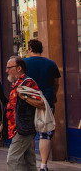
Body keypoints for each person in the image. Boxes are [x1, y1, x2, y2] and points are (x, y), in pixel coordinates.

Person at [0, 56, 45, 171]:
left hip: (24, 128)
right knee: (29, 161)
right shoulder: (16, 84)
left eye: (9, 68)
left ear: (19, 68)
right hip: (17, 127)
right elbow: (11, 109)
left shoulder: (28, 83)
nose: (7, 70)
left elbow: (41, 103)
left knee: (12, 159)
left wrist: (25, 97)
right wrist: (2, 127)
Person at [24, 39, 61, 171]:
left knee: (30, 134)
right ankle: (44, 165)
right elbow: (56, 83)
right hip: (46, 102)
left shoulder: (24, 63)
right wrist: (54, 95)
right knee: (45, 134)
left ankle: (32, 163)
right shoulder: (51, 64)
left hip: (28, 102)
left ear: (30, 49)